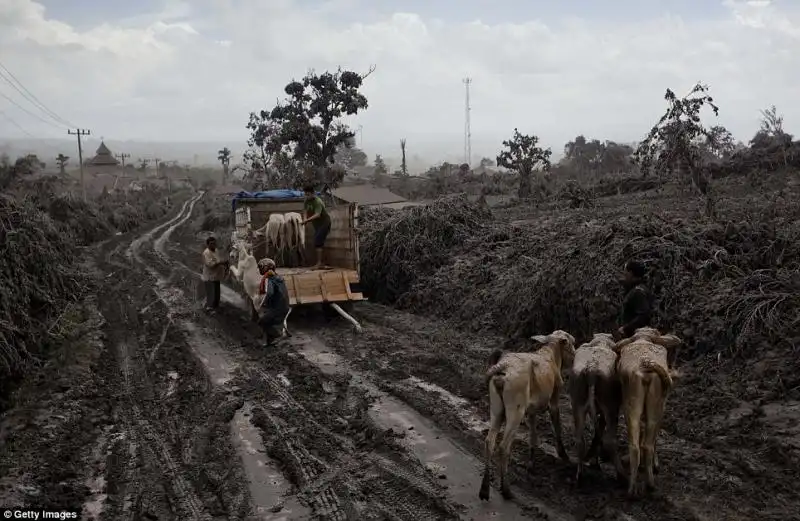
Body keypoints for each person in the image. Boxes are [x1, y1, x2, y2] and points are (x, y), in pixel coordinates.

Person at [257, 258, 290, 347]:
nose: (260, 269)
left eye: (262, 267)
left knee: (262, 321)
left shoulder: (270, 279)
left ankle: (279, 335)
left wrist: (263, 304)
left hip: (278, 308)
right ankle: (269, 341)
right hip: (284, 306)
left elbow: (270, 293)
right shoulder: (278, 277)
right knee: (267, 320)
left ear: (267, 268)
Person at [617, 260, 653, 339]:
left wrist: (626, 329)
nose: (624, 274)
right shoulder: (638, 289)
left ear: (631, 273)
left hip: (637, 338)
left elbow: (644, 314)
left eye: (625, 272)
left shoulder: (638, 292)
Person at [300, 185, 331, 269]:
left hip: (325, 222)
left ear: (313, 193)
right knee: (319, 241)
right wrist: (305, 218)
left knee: (318, 240)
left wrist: (306, 221)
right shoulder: (306, 201)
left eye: (308, 194)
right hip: (317, 224)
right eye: (305, 194)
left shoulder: (318, 201)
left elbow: (317, 215)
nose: (307, 196)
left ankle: (319, 263)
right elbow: (305, 211)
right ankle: (322, 263)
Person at [201, 236, 228, 313]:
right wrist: (221, 262)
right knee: (211, 293)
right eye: (211, 244)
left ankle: (216, 307)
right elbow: (210, 265)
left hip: (216, 276)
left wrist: (223, 264)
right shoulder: (206, 253)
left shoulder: (216, 250)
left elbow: (218, 260)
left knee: (217, 293)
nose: (213, 245)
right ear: (208, 245)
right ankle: (209, 309)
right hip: (209, 277)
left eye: (214, 243)